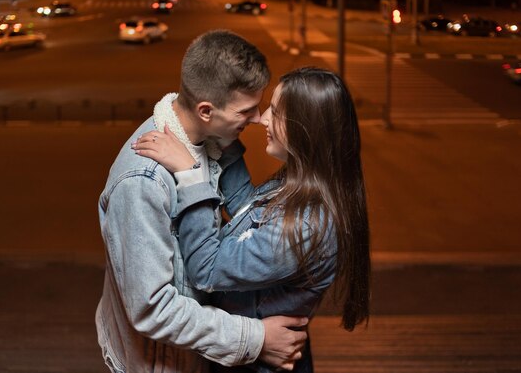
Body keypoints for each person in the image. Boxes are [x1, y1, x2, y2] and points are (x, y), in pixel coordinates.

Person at [95, 30, 308, 373]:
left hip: (198, 356)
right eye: (246, 110)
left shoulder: (213, 143)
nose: (257, 119)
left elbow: (241, 224)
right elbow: (152, 310)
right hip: (160, 365)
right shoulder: (143, 182)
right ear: (206, 110)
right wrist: (256, 339)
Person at [133, 66, 371, 372]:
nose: (262, 119)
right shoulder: (300, 187)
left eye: (277, 112)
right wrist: (221, 130)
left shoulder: (304, 226)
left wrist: (190, 176)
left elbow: (208, 270)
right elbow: (246, 207)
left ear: (306, 130)